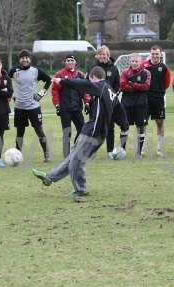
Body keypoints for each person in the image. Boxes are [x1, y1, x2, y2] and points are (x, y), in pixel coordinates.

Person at [32, 66, 123, 198]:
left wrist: (62, 81)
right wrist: (124, 126)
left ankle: (81, 189)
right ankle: (50, 178)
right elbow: (119, 110)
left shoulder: (99, 85)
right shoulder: (109, 90)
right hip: (92, 129)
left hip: (94, 132)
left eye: (89, 78)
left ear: (93, 77)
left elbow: (82, 84)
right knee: (72, 158)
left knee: (76, 160)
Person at [8, 50, 51, 162]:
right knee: (20, 133)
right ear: (19, 60)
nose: (25, 59)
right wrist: (12, 94)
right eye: (22, 58)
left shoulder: (36, 71)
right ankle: (17, 157)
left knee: (39, 131)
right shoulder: (14, 70)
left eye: (27, 58)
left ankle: (47, 155)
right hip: (19, 107)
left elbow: (49, 80)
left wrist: (40, 94)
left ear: (30, 59)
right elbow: (6, 81)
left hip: (33, 107)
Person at [87, 45, 129, 158]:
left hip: (109, 103)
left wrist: (110, 96)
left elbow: (117, 85)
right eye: (100, 54)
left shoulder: (114, 69)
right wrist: (89, 100)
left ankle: (110, 152)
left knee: (110, 128)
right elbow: (88, 84)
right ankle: (92, 151)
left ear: (108, 55)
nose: (102, 56)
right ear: (97, 56)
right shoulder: (93, 68)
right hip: (96, 103)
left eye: (104, 54)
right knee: (94, 127)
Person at [51, 55, 87, 158]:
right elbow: (55, 91)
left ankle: (76, 149)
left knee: (83, 130)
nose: (70, 62)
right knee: (67, 132)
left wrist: (87, 102)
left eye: (72, 60)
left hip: (77, 108)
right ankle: (66, 156)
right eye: (68, 60)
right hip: (65, 109)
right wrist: (57, 105)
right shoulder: (60, 74)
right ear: (65, 62)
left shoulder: (80, 75)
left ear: (75, 62)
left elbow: (84, 90)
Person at [141, 45, 171, 157]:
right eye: (153, 54)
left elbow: (167, 83)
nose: (155, 56)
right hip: (145, 98)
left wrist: (159, 91)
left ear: (160, 54)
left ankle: (160, 149)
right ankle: (141, 148)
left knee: (159, 122)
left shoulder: (164, 67)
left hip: (158, 98)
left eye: (157, 54)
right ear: (150, 54)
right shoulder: (144, 65)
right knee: (142, 123)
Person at [120, 53, 151, 158]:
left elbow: (146, 87)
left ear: (140, 61)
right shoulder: (124, 72)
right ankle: (122, 151)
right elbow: (123, 86)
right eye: (132, 61)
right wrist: (138, 87)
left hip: (141, 104)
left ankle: (139, 152)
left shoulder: (146, 73)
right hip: (126, 104)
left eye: (136, 61)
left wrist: (132, 84)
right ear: (130, 61)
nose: (134, 63)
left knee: (140, 127)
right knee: (124, 127)